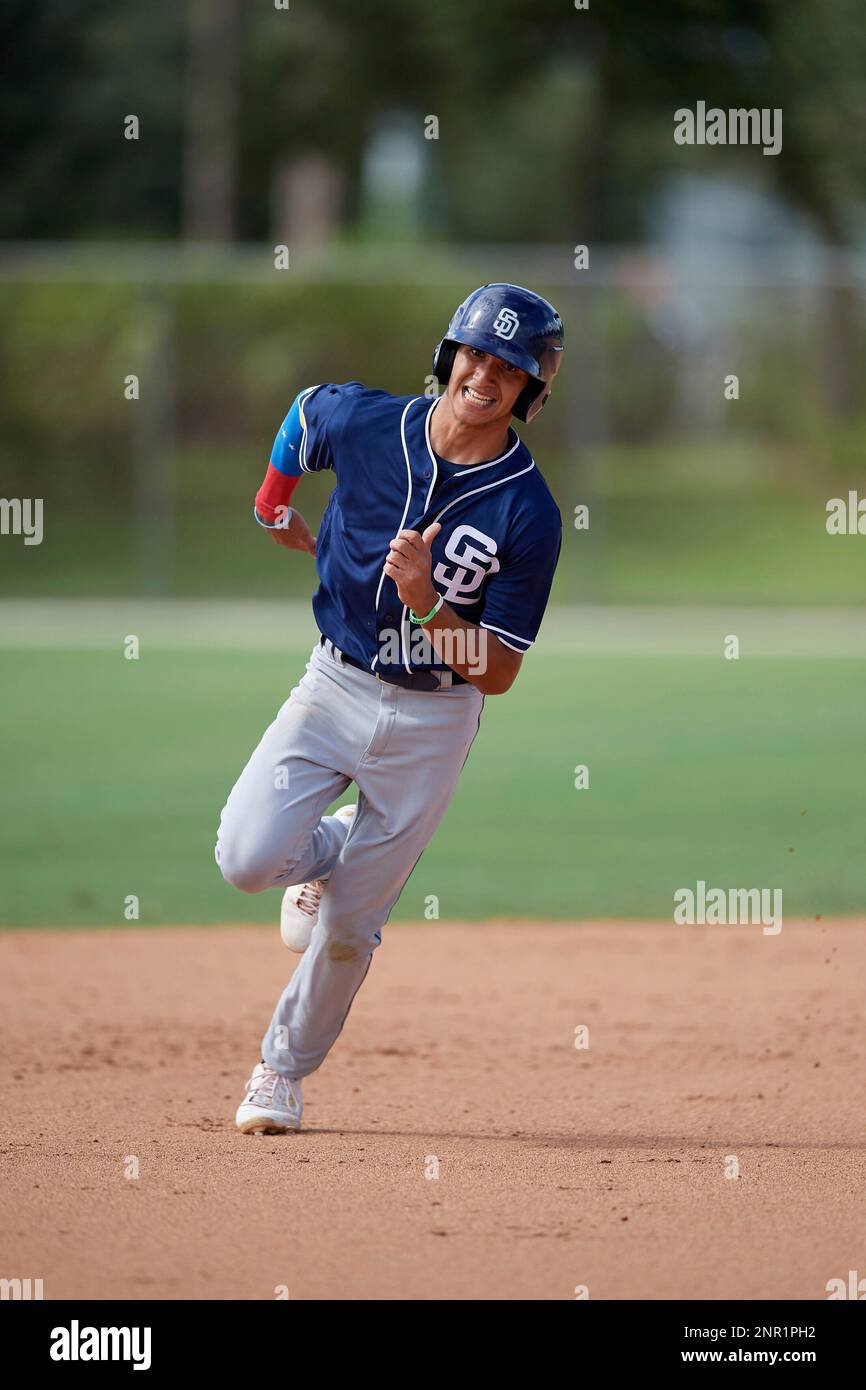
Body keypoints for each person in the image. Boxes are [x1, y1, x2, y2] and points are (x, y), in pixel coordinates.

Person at [216, 282, 565, 1133]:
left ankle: (280, 1074)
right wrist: (270, 504)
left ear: (528, 392)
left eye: (508, 367)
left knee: (348, 927)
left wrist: (426, 605)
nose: (485, 374)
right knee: (247, 860)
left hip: (435, 719)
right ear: (450, 356)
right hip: (333, 681)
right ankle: (330, 848)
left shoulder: (530, 511)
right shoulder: (371, 423)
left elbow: (499, 672)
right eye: (476, 353)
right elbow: (304, 414)